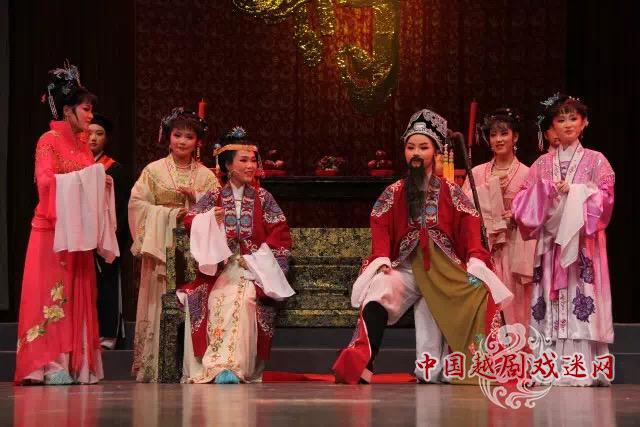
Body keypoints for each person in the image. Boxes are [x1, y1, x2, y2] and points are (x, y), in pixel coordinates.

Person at [333, 109, 512, 385]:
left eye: (423, 147)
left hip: (442, 272)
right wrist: (381, 259)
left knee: (478, 292)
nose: (416, 153)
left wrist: (476, 259)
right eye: (411, 147)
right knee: (377, 290)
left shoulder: (451, 192)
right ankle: (365, 363)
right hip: (405, 269)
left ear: (435, 152)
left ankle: (464, 365)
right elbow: (379, 225)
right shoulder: (393, 193)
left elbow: (470, 228)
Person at [15, 62, 108, 384]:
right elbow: (44, 182)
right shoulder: (48, 140)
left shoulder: (83, 145)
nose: (90, 116)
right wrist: (85, 179)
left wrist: (99, 183)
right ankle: (47, 364)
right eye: (86, 109)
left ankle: (72, 363)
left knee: (76, 296)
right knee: (50, 296)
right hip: (52, 231)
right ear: (68, 110)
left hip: (77, 234)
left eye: (91, 110)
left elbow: (87, 181)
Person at [512, 94, 614, 386]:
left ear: (584, 122)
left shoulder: (597, 160)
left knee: (581, 298)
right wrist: (544, 193)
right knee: (548, 301)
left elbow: (606, 199)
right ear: (552, 126)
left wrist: (578, 192)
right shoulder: (542, 164)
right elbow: (521, 204)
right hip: (551, 247)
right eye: (561, 119)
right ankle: (548, 367)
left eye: (573, 118)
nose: (567, 124)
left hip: (582, 245)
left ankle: (580, 368)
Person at [178, 127, 293, 384]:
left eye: (253, 160)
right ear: (228, 165)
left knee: (244, 299)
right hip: (221, 269)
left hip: (254, 269)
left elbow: (280, 234)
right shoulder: (214, 197)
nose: (251, 166)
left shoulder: (263, 198)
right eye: (244, 160)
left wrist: (255, 260)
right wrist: (210, 219)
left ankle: (234, 366)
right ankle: (216, 365)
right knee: (216, 298)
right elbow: (190, 220)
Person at [128, 107, 219, 382]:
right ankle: (155, 365)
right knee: (159, 301)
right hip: (162, 245)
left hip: (195, 248)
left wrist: (197, 198)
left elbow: (219, 209)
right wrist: (169, 214)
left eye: (189, 137)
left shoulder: (206, 176)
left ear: (198, 142)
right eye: (177, 135)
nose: (182, 141)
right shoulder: (153, 171)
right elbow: (137, 204)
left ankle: (194, 365)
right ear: (168, 137)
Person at [463, 108, 536, 330]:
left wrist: (518, 213)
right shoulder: (477, 173)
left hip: (514, 246)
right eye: (493, 134)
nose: (498, 139)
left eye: (504, 133)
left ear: (515, 136)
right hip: (484, 248)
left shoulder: (527, 173)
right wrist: (489, 190)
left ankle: (515, 348)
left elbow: (538, 211)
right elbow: (463, 207)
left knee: (515, 303)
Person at [88, 113, 130, 350]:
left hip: (106, 235)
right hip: (82, 235)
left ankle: (108, 335)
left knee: (107, 284)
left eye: (99, 134)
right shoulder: (75, 166)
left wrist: (113, 235)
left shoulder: (114, 168)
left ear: (106, 138)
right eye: (89, 133)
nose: (93, 138)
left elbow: (122, 208)